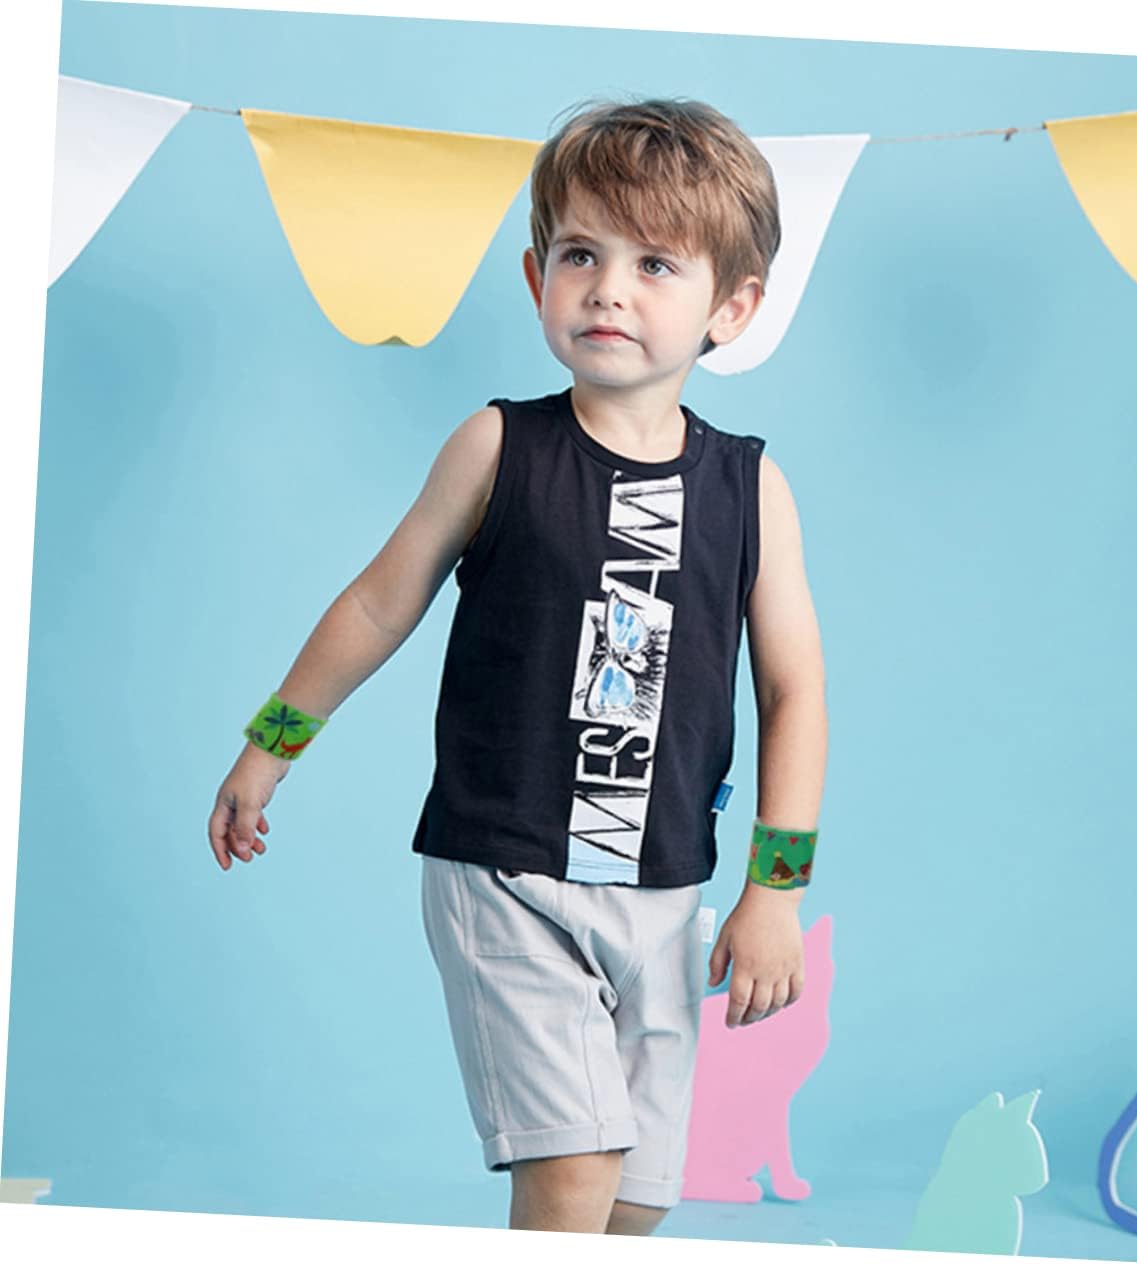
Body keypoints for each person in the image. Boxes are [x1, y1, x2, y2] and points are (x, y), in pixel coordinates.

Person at [208, 96, 828, 1236]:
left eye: (655, 264)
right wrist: (271, 745)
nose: (609, 289)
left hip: (662, 888)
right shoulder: (499, 446)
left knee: (636, 1201)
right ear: (538, 275)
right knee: (574, 1168)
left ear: (731, 309)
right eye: (581, 255)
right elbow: (378, 603)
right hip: (505, 871)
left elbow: (793, 691)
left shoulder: (751, 489)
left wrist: (776, 887)